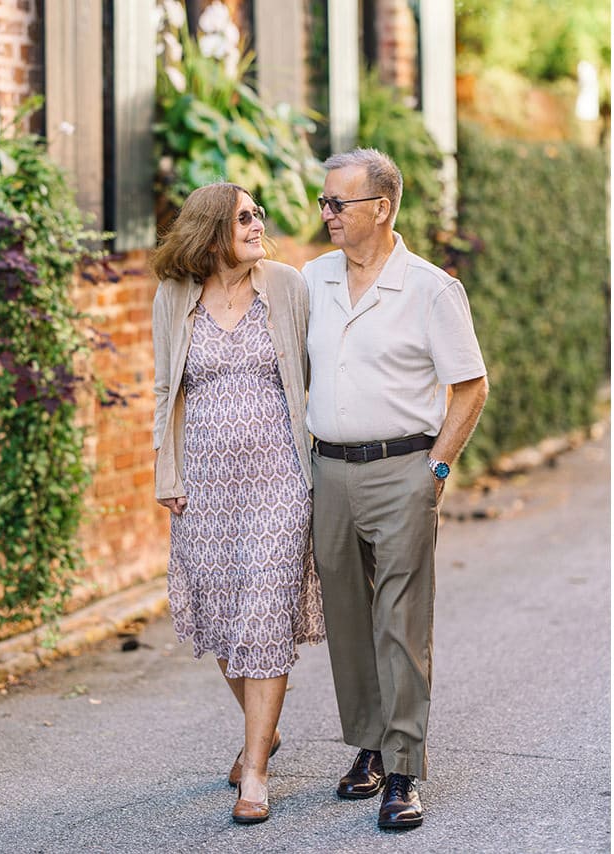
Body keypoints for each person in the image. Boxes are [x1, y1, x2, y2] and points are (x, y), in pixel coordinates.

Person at [303, 148, 489, 830]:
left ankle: (404, 768)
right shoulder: (313, 279)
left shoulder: (430, 289)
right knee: (349, 620)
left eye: (339, 203)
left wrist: (435, 471)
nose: (327, 213)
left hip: (402, 469)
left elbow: (471, 387)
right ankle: (371, 747)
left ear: (380, 209)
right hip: (329, 471)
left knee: (401, 622)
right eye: (325, 201)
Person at [151, 182, 325, 825]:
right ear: (209, 232)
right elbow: (165, 388)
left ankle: (255, 771)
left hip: (279, 479)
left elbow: (316, 371)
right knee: (224, 619)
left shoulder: (286, 286)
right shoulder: (174, 297)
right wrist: (167, 472)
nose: (257, 224)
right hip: (204, 485)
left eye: (258, 214)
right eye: (243, 217)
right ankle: (264, 730)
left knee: (264, 615)